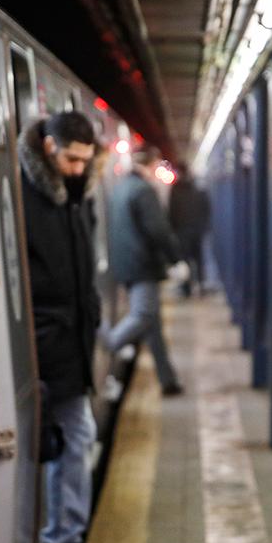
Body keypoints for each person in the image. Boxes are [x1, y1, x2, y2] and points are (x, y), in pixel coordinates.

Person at [20, 111, 116, 543]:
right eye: (72, 160)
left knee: (72, 438)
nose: (79, 169)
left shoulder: (75, 194)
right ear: (49, 146)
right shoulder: (26, 192)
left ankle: (63, 538)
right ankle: (60, 542)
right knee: (74, 438)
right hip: (47, 341)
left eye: (86, 161)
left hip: (69, 339)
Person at [103, 144, 185, 396]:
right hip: (142, 266)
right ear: (149, 164)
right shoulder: (143, 191)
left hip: (126, 265)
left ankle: (167, 380)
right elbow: (158, 230)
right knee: (143, 315)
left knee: (153, 325)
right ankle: (108, 342)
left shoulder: (121, 188)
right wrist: (176, 260)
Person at [168, 173, 211, 298]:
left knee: (185, 260)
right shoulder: (199, 191)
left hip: (182, 231)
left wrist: (173, 230)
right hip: (197, 231)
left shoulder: (176, 191)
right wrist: (203, 227)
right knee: (199, 259)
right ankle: (201, 284)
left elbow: (172, 212)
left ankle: (186, 288)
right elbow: (206, 209)